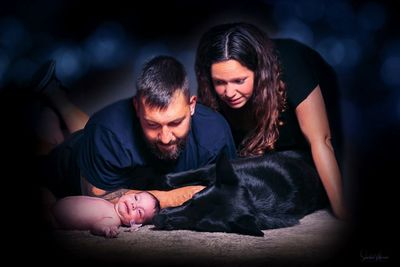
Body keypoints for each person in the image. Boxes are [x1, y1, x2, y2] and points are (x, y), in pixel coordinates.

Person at [34, 55, 236, 208]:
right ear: (137, 108)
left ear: (192, 106)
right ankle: (53, 102)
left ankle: (55, 99)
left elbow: (234, 189)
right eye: (153, 125)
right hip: (72, 163)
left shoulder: (215, 133)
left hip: (102, 145)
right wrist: (169, 197)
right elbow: (99, 197)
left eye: (175, 123)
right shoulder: (107, 131)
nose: (166, 138)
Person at [195, 22, 347, 219]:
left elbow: (322, 141)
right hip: (263, 140)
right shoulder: (214, 93)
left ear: (259, 72)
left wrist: (342, 212)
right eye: (220, 82)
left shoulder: (292, 63)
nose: (229, 92)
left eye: (239, 80)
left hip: (312, 131)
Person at [45, 188, 160, 238]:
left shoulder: (113, 220)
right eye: (136, 198)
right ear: (127, 194)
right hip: (55, 202)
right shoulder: (109, 203)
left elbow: (96, 227)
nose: (134, 205)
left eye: (139, 212)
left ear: (135, 224)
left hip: (55, 219)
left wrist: (105, 229)